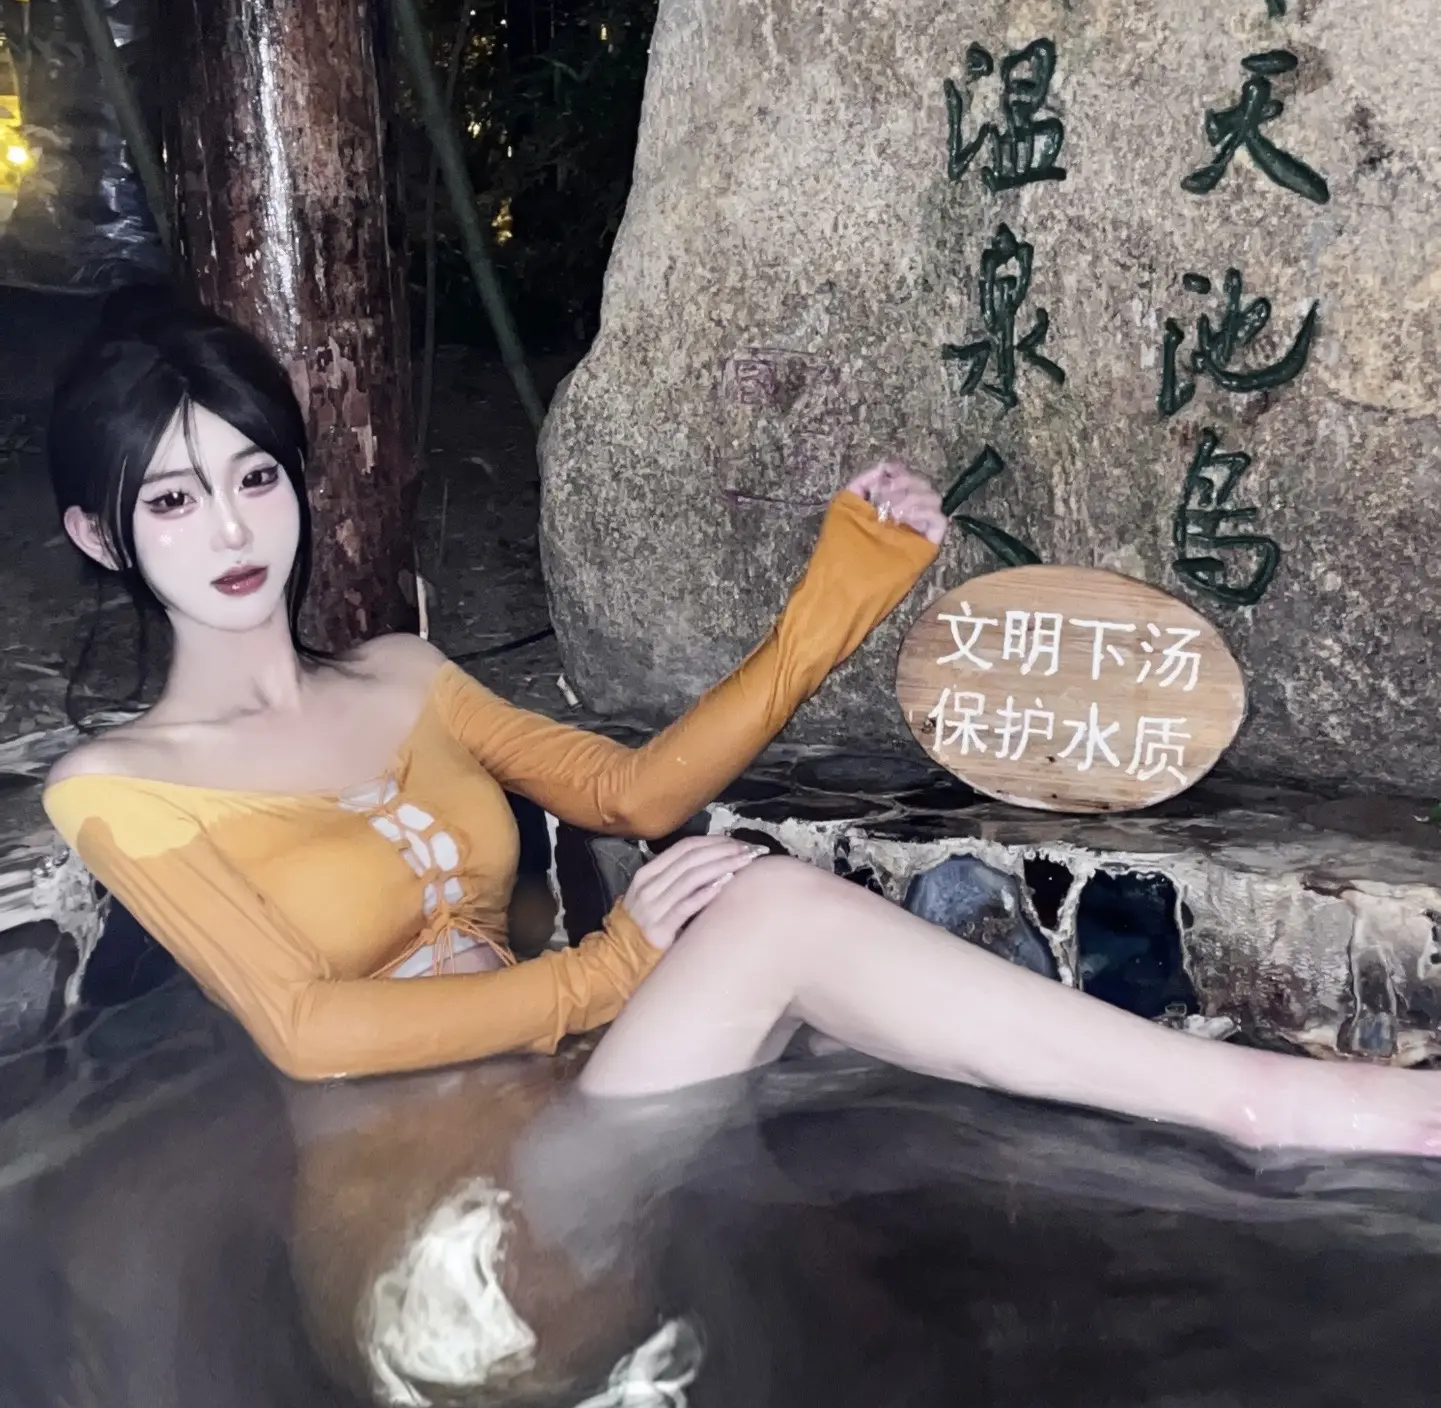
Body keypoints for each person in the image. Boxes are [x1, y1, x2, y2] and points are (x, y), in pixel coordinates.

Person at [40, 296, 1441, 1158]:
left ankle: (1244, 1116)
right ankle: (1278, 1108)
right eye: (172, 500)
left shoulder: (403, 678)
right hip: (435, 1253)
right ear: (101, 537)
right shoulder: (118, 788)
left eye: (254, 478)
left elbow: (638, 797)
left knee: (791, 960)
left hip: (571, 1128)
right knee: (766, 920)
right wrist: (606, 972)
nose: (233, 531)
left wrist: (835, 607)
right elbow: (304, 1031)